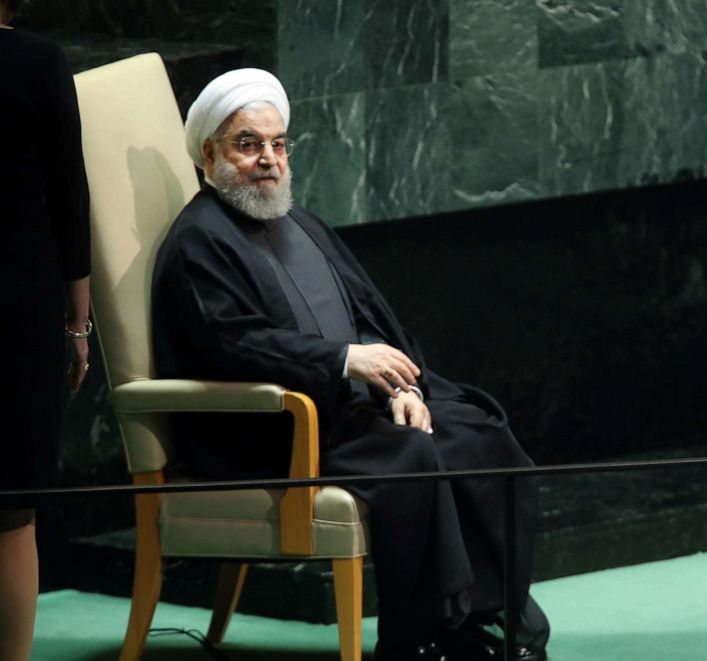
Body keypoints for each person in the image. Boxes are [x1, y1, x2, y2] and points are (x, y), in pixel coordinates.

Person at [152, 69, 547, 661]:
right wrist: (341, 360)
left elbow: (369, 319)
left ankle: (486, 620)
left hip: (347, 410)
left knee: (473, 430)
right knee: (413, 455)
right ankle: (421, 639)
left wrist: (400, 388)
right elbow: (231, 343)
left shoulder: (300, 222)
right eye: (248, 144)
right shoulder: (198, 241)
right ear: (209, 153)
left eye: (278, 144)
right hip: (271, 429)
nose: (268, 160)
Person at [0, 1, 92, 659]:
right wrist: (79, 323)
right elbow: (70, 196)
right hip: (20, 294)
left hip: (22, 287)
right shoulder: (39, 61)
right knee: (13, 510)